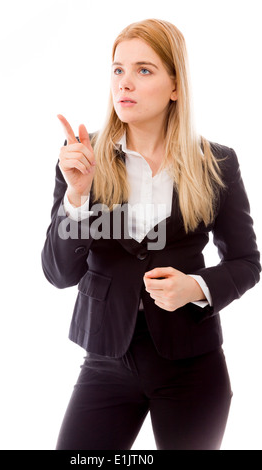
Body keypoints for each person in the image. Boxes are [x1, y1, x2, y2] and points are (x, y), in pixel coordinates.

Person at [41, 19, 261, 450]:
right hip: (105, 360)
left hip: (192, 366)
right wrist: (78, 195)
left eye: (144, 70)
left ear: (175, 85)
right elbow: (58, 273)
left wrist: (195, 287)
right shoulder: (81, 162)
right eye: (118, 69)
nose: (125, 83)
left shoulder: (216, 163)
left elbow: (247, 263)